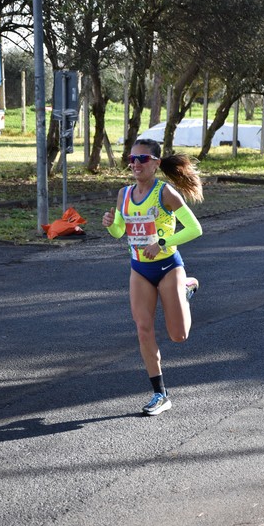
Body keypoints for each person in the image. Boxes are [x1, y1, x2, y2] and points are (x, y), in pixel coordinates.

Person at [102, 138, 203, 416]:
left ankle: (185, 287)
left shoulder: (166, 193)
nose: (135, 164)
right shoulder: (124, 194)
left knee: (179, 336)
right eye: (132, 159)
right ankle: (160, 393)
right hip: (139, 270)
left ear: (156, 163)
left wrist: (160, 242)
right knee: (143, 328)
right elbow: (120, 232)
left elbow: (195, 229)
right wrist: (112, 225)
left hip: (169, 266)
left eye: (142, 159)